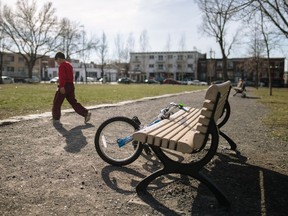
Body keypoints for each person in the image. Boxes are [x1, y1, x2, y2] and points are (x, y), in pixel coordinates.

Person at [52, 52, 91, 123]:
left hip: (64, 86)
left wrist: (61, 86)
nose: (57, 63)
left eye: (56, 61)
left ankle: (56, 118)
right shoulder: (69, 65)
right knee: (73, 102)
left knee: (56, 102)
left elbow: (62, 77)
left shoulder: (62, 65)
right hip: (71, 85)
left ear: (59, 59)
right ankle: (85, 113)